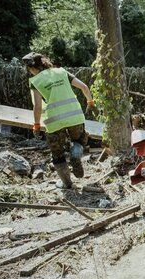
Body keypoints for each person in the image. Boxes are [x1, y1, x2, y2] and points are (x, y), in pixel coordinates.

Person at [22, 52, 95, 189]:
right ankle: (75, 154)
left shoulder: (35, 81)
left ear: (31, 68)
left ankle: (67, 183)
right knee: (79, 140)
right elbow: (84, 87)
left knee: (57, 153)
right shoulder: (61, 72)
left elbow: (37, 106)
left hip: (54, 121)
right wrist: (90, 101)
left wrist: (36, 124)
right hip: (74, 116)